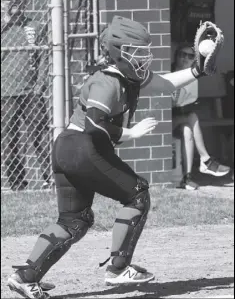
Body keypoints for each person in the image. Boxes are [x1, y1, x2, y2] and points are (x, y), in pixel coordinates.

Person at [7, 15, 220, 299]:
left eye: (144, 50)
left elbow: (166, 85)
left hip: (70, 149)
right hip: (83, 146)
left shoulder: (126, 76)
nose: (143, 56)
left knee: (74, 220)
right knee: (137, 193)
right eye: (136, 51)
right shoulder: (106, 80)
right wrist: (132, 133)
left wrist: (197, 70)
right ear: (119, 52)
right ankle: (119, 268)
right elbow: (96, 124)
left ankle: (25, 276)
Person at [1, 0, 51, 191]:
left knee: (41, 136)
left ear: (23, 0)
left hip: (31, 93)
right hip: (5, 93)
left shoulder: (35, 26)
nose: (13, 1)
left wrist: (39, 87)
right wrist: (5, 20)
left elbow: (44, 59)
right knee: (8, 140)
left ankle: (51, 179)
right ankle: (17, 183)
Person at [172, 42, 230, 190]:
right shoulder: (170, 73)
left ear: (193, 60)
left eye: (190, 56)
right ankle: (205, 160)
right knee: (192, 118)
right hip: (166, 121)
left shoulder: (191, 77)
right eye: (182, 55)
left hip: (181, 117)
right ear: (176, 56)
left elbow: (188, 103)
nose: (185, 59)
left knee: (187, 129)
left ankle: (187, 177)